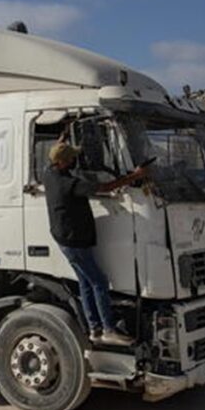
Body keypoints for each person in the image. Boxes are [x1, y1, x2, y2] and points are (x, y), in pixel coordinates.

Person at [43, 136, 149, 346]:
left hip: (66, 239)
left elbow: (55, 157)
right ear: (63, 163)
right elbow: (105, 187)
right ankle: (108, 329)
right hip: (75, 242)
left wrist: (62, 138)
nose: (75, 160)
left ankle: (95, 329)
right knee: (99, 282)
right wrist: (134, 176)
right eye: (72, 158)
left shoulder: (49, 174)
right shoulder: (69, 184)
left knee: (86, 282)